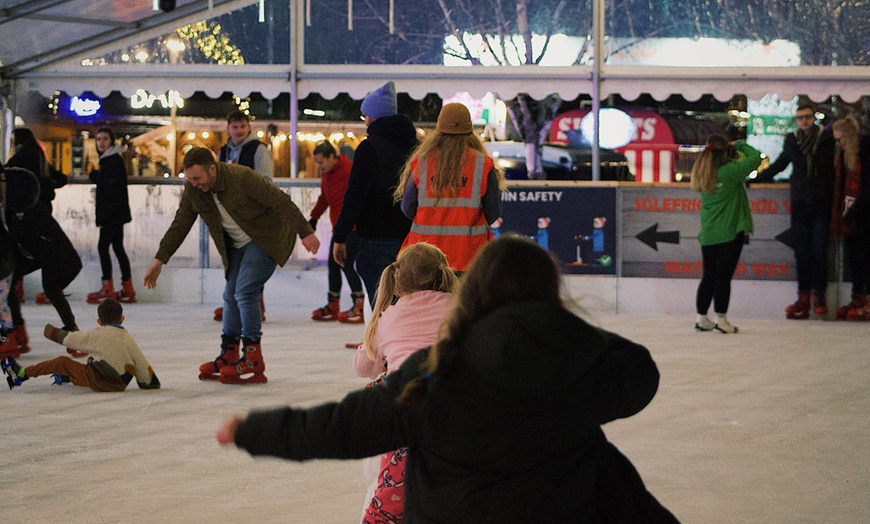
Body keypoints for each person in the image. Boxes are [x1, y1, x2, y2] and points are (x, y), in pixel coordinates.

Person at [217, 235, 678, 523]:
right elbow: (641, 371)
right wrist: (562, 326)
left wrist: (255, 430)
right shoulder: (582, 367)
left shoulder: (434, 371)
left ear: (471, 289)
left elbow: (345, 426)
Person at [143, 147, 319, 384]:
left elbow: (281, 201)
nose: (194, 184)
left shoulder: (242, 177)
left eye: (197, 178)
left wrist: (305, 232)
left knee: (245, 291)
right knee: (230, 295)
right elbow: (181, 224)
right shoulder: (194, 190)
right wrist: (160, 260)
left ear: (212, 169)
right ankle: (229, 352)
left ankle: (253, 358)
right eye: (190, 179)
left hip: (266, 238)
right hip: (236, 246)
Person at [352, 242, 458, 524]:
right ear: (443, 274)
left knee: (387, 503)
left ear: (397, 280)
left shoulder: (388, 316)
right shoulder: (460, 308)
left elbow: (363, 368)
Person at [332, 81, 418, 308]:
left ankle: (386, 330)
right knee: (406, 300)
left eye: (365, 116)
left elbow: (355, 195)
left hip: (376, 235)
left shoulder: (369, 148)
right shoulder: (416, 147)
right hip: (411, 234)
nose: (365, 121)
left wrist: (340, 236)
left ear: (373, 116)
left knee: (383, 303)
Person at [396, 102, 505, 272]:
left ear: (439, 129)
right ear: (469, 130)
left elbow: (407, 207)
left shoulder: (422, 162)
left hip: (424, 257)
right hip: (469, 257)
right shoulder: (483, 164)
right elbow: (493, 211)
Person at [752, 103, 835, 319]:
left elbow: (834, 168)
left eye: (807, 117)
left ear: (814, 118)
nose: (803, 121)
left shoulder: (827, 139)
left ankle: (819, 295)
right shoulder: (792, 140)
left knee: (819, 248)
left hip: (821, 199)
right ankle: (803, 296)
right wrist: (758, 178)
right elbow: (781, 163)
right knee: (801, 249)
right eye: (800, 118)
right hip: (800, 200)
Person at [5, 133, 82, 354]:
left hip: (43, 242)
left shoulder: (19, 187)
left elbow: (16, 235)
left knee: (12, 282)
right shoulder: (38, 160)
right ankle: (19, 333)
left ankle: (16, 333)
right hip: (43, 239)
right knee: (41, 287)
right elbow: (60, 179)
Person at [2, 298, 160, 392]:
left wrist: (51, 332)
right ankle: (67, 377)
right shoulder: (128, 339)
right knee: (86, 370)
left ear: (99, 321)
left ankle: (22, 373)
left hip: (100, 380)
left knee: (61, 362)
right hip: (119, 384)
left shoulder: (96, 334)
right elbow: (140, 362)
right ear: (122, 319)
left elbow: (72, 339)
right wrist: (150, 382)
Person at [691, 134, 762, 334]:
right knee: (723, 277)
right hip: (730, 232)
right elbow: (756, 158)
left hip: (709, 233)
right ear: (725, 152)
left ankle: (701, 317)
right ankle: (721, 319)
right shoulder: (729, 172)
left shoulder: (702, 173)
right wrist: (738, 145)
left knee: (708, 276)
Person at [214, 110, 272, 321]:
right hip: (229, 215)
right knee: (233, 260)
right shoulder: (223, 152)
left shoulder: (258, 149)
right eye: (235, 127)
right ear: (228, 128)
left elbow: (265, 182)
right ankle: (233, 301)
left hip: (252, 215)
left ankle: (253, 303)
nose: (238, 131)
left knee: (252, 262)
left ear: (249, 127)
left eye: (242, 126)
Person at [5, 127, 70, 307]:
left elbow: (7, 176)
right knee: (42, 248)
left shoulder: (19, 158)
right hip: (43, 210)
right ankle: (52, 288)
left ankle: (17, 289)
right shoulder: (40, 157)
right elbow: (61, 178)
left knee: (21, 250)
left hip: (26, 212)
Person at [308, 141, 365, 323]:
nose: (319, 167)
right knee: (333, 264)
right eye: (317, 163)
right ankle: (333, 304)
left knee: (345, 263)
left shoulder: (349, 170)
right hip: (339, 228)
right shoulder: (327, 174)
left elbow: (356, 199)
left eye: (321, 162)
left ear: (332, 157)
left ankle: (360, 304)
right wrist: (314, 218)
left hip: (353, 227)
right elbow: (325, 198)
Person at [86, 126, 136, 305]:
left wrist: (93, 174)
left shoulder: (112, 160)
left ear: (112, 141)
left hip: (112, 213)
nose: (101, 142)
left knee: (103, 247)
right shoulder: (110, 159)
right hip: (116, 213)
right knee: (117, 247)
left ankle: (108, 287)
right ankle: (127, 288)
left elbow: (108, 186)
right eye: (98, 139)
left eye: (105, 139)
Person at [828, 116, 870, 321]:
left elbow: (867, 188)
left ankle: (867, 299)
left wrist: (852, 212)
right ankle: (857, 296)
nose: (838, 144)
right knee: (854, 258)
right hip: (850, 214)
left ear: (849, 136)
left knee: (865, 257)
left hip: (864, 213)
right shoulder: (843, 157)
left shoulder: (865, 150)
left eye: (840, 139)